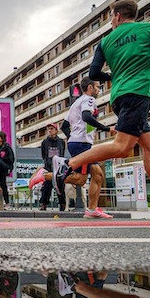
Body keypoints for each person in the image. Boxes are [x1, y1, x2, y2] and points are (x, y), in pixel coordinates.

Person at [54, 0, 150, 219]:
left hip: (120, 97)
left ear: (117, 16)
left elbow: (94, 74)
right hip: (138, 93)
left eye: (111, 17)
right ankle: (68, 164)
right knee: (122, 147)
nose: (111, 21)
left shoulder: (104, 42)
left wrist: (112, 76)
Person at [55, 78, 113, 219]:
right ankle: (48, 175)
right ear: (90, 88)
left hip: (79, 143)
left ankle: (92, 209)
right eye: (97, 87)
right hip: (81, 144)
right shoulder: (89, 100)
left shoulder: (77, 101)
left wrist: (72, 138)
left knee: (95, 176)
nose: (99, 90)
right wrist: (106, 128)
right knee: (84, 178)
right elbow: (87, 117)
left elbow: (64, 126)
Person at [36, 124, 66, 211]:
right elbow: (43, 155)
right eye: (48, 129)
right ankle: (44, 204)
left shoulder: (61, 142)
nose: (50, 130)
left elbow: (62, 153)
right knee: (46, 186)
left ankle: (62, 204)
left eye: (52, 129)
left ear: (56, 130)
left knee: (60, 185)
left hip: (58, 167)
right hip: (48, 167)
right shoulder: (45, 142)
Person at [0, 131, 15, 209]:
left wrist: (2, 159)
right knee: (3, 185)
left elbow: (11, 159)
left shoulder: (7, 147)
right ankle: (7, 203)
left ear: (2, 138)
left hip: (6, 166)